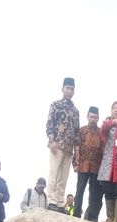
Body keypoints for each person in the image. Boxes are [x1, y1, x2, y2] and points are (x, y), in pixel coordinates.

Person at [45, 77, 80, 213]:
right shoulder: (56, 105)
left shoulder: (76, 111)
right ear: (63, 89)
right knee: (54, 172)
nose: (70, 91)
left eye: (72, 89)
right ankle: (51, 199)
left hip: (69, 147)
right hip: (57, 144)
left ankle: (60, 201)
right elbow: (50, 124)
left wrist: (76, 149)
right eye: (68, 88)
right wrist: (52, 140)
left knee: (64, 176)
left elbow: (76, 131)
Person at [72, 106, 103, 222]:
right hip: (83, 165)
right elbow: (77, 147)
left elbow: (103, 149)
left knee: (94, 193)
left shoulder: (101, 132)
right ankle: (76, 213)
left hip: (96, 166)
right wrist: (75, 163)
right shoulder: (82, 130)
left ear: (98, 118)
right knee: (80, 190)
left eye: (95, 117)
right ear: (87, 117)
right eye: (91, 116)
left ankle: (92, 216)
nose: (93, 119)